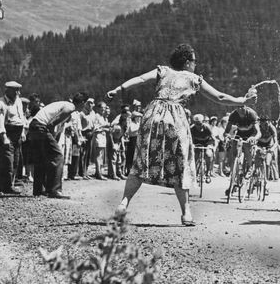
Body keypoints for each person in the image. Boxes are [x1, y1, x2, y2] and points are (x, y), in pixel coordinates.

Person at [107, 43, 257, 226]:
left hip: (152, 116)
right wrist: (242, 100)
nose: (196, 64)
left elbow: (139, 79)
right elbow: (219, 97)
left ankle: (123, 204)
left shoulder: (162, 71)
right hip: (175, 119)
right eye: (194, 61)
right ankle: (186, 213)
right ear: (187, 63)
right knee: (181, 164)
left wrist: (118, 89)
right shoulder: (193, 78)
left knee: (141, 160)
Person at [29, 100, 75, 198]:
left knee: (41, 158)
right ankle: (54, 190)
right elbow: (52, 124)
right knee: (58, 157)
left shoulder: (61, 105)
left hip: (34, 125)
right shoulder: (71, 107)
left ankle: (39, 190)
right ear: (82, 103)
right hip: (41, 126)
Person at [0, 81, 26, 193]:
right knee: (8, 161)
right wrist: (4, 137)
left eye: (18, 90)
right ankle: (7, 186)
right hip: (7, 133)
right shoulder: (1, 103)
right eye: (15, 90)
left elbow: (21, 116)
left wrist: (22, 133)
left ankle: (3, 185)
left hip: (17, 133)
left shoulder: (18, 101)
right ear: (8, 90)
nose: (18, 92)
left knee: (16, 160)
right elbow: (0, 122)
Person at [224, 102, 260, 178]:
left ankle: (250, 167)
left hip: (251, 134)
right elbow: (227, 131)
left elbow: (258, 132)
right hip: (240, 133)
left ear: (246, 106)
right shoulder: (233, 114)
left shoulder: (251, 113)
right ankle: (234, 174)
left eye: (242, 106)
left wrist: (254, 138)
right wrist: (227, 136)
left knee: (247, 149)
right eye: (238, 107)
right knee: (234, 151)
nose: (240, 109)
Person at [67, 92, 88, 180]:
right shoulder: (72, 112)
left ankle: (74, 172)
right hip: (73, 135)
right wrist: (77, 138)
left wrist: (80, 136)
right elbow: (74, 126)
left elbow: (79, 126)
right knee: (73, 154)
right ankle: (71, 173)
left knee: (77, 155)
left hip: (78, 133)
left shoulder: (78, 113)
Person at [190, 114, 214, 182]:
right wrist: (191, 145)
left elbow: (213, 138)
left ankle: (208, 173)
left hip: (207, 143)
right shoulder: (192, 128)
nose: (198, 125)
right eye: (196, 123)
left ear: (202, 122)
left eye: (199, 123)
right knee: (195, 157)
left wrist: (210, 145)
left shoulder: (207, 127)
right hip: (196, 143)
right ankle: (195, 174)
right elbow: (189, 138)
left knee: (208, 155)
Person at [92, 101, 111, 180]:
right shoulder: (96, 116)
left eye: (104, 108)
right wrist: (104, 126)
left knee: (101, 155)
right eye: (102, 108)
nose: (103, 109)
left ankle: (98, 172)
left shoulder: (103, 117)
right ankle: (99, 173)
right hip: (98, 136)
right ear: (98, 108)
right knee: (98, 155)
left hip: (103, 136)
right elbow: (95, 128)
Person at [79, 98, 96, 179]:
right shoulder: (82, 113)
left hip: (91, 133)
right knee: (83, 153)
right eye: (88, 103)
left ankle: (86, 171)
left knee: (88, 154)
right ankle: (82, 172)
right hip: (84, 133)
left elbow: (94, 124)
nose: (90, 105)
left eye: (91, 103)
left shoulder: (93, 113)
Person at [125, 111, 142, 175]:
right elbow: (131, 131)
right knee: (130, 155)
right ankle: (128, 170)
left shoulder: (138, 123)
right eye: (137, 117)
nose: (138, 118)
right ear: (134, 118)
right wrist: (138, 129)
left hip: (137, 140)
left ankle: (133, 170)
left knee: (135, 156)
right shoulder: (132, 123)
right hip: (132, 140)